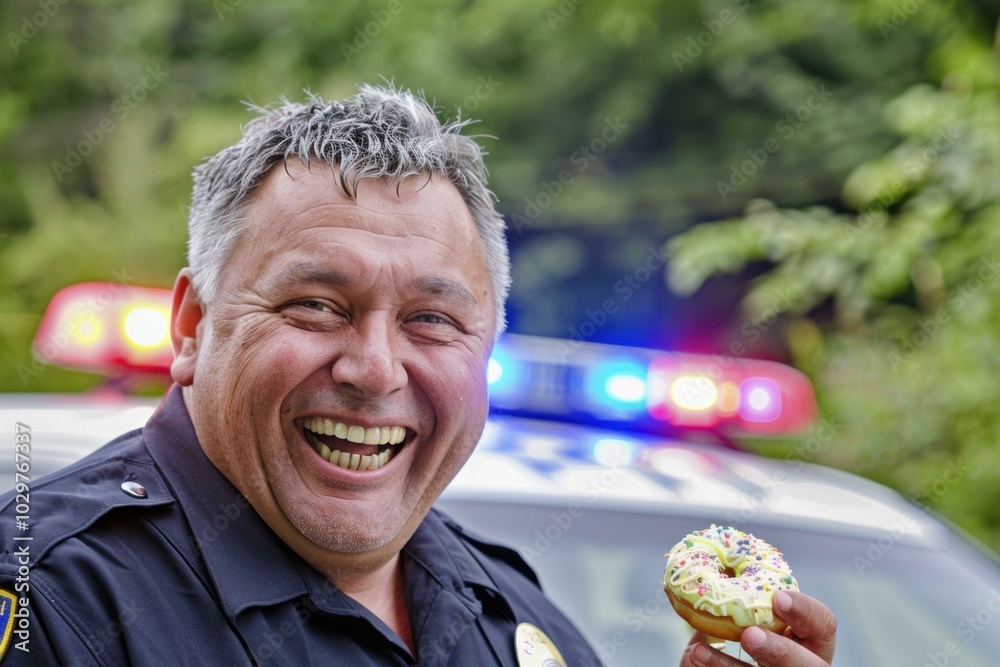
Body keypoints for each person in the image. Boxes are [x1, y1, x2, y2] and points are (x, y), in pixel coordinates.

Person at [0, 84, 836, 666]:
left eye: (431, 320)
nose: (373, 369)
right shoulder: (51, 600)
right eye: (318, 305)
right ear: (193, 324)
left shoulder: (517, 621)